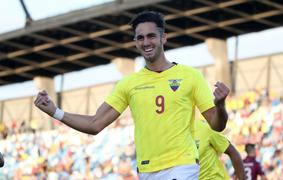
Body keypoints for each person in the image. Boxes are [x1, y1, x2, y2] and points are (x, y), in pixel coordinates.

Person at [34, 10, 230, 179]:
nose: (146, 42)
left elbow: (217, 125)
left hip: (183, 165)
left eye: (152, 36)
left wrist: (220, 106)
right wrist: (55, 112)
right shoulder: (128, 84)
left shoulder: (190, 76)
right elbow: (95, 124)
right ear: (135, 42)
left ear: (164, 38)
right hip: (147, 169)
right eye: (140, 38)